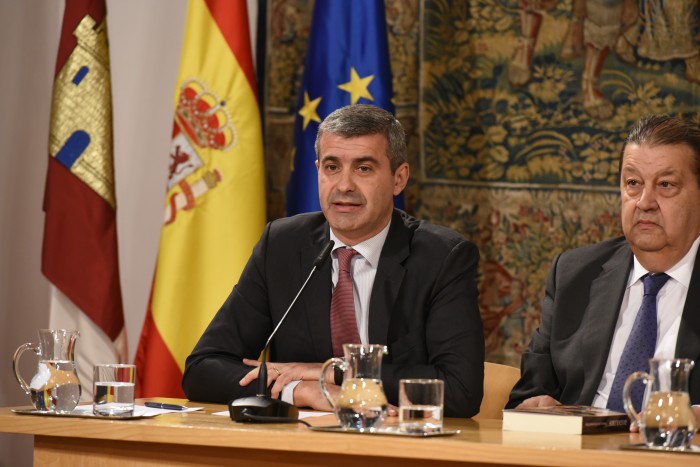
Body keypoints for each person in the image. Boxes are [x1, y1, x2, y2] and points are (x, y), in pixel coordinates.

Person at [182, 104, 485, 417]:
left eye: (363, 168)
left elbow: (461, 390)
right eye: (331, 167)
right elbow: (203, 369)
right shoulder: (283, 245)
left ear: (399, 178)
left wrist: (334, 374)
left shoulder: (441, 257)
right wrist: (302, 390)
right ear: (317, 170)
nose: (344, 185)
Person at [507, 114, 700, 426]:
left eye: (666, 185)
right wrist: (534, 405)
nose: (644, 202)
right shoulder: (575, 274)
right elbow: (527, 393)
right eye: (633, 184)